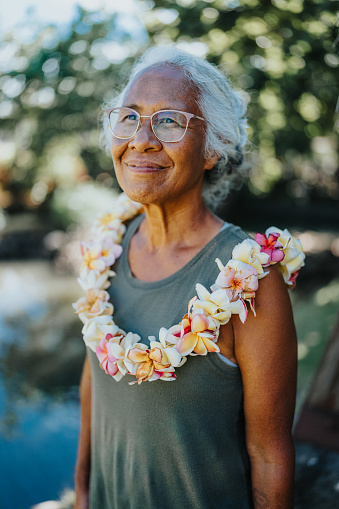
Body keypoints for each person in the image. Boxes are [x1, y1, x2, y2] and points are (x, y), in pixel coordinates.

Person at [73, 46, 304, 509]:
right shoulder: (107, 247)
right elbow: (94, 390)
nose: (141, 139)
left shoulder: (250, 277)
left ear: (214, 148)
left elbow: (270, 455)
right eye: (129, 117)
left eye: (169, 121)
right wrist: (81, 493)